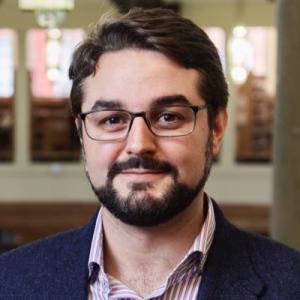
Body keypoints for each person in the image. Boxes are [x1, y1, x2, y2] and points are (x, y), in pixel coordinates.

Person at [0, 7, 300, 300]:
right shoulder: (9, 281)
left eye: (168, 117)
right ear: (81, 134)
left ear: (217, 129)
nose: (139, 144)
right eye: (112, 120)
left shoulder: (291, 283)